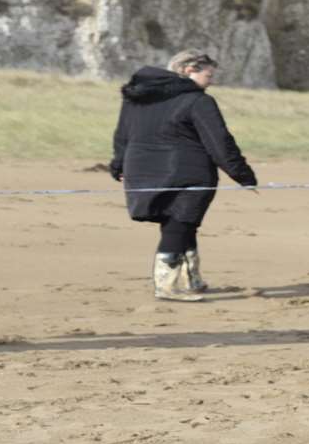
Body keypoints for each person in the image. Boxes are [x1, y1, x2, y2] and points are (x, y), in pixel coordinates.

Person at [108, 50, 257, 301]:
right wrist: (243, 175)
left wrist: (119, 166)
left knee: (180, 224)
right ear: (189, 70)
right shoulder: (198, 101)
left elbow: (122, 134)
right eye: (208, 74)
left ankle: (191, 279)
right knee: (180, 223)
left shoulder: (138, 97)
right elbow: (220, 142)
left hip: (142, 170)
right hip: (189, 173)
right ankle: (167, 287)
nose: (212, 80)